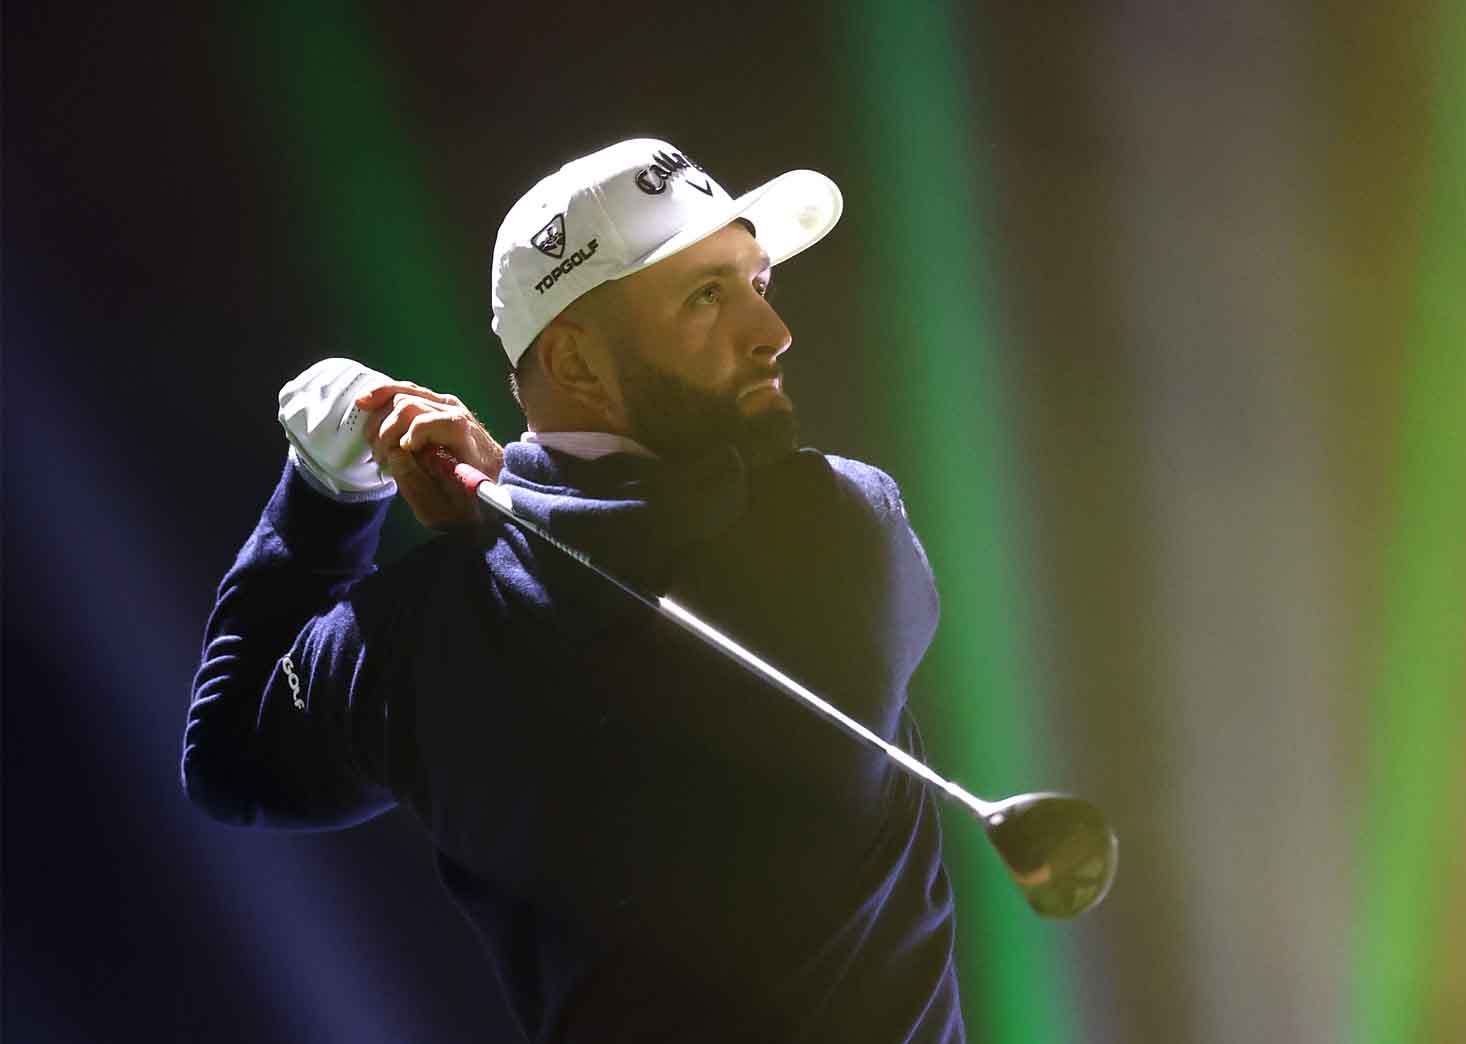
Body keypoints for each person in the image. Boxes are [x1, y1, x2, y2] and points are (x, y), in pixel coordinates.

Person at [183, 138, 963, 1042]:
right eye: (707, 295)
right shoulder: (843, 527)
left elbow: (232, 761)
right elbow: (630, 578)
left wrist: (326, 495)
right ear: (579, 365)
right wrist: (503, 503)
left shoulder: (413, 636)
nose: (771, 331)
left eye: (758, 282)